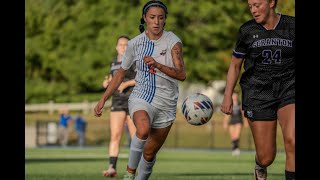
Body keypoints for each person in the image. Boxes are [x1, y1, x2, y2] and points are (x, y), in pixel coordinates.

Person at [94, 1, 186, 179]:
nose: (156, 21)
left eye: (160, 17)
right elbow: (120, 75)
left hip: (166, 102)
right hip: (141, 96)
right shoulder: (134, 44)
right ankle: (129, 173)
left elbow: (181, 74)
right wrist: (103, 98)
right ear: (145, 18)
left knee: (150, 154)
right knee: (142, 129)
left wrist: (158, 64)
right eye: (152, 17)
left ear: (165, 20)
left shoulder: (173, 42)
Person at [220, 0, 295, 179]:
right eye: (250, 6)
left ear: (271, 3)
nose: (253, 10)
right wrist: (227, 95)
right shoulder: (247, 31)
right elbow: (235, 65)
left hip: (289, 88)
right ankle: (260, 165)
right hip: (257, 93)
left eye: (257, 5)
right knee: (266, 156)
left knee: (293, 141)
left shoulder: (292, 26)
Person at [101, 36, 137, 177]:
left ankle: (133, 169)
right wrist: (107, 83)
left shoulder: (134, 62)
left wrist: (126, 84)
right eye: (120, 44)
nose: (123, 47)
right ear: (116, 47)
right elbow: (111, 79)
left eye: (126, 44)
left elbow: (141, 78)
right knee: (115, 135)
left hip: (132, 102)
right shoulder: (113, 63)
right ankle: (112, 168)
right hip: (117, 102)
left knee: (135, 138)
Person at [222, 92, 247, 156]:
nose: (235, 97)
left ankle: (236, 149)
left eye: (236, 96)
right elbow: (227, 115)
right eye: (233, 96)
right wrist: (225, 123)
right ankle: (234, 149)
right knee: (233, 136)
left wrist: (245, 121)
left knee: (237, 135)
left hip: (238, 121)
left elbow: (243, 113)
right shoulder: (230, 104)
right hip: (231, 121)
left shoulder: (239, 104)